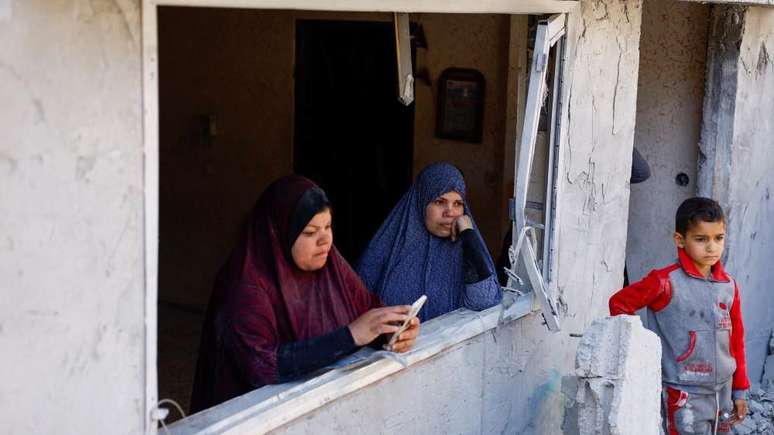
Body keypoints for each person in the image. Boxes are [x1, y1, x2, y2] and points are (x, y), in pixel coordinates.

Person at [190, 176, 419, 413]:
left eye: (328, 227)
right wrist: (350, 336)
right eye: (310, 232)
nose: (324, 240)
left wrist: (393, 331)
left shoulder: (329, 263)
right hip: (254, 418)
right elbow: (262, 366)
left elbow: (366, 307)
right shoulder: (244, 286)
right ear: (278, 235)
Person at [608, 197, 749, 434]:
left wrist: (740, 391)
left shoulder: (728, 286)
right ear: (680, 240)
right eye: (701, 239)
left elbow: (737, 342)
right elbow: (619, 304)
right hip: (683, 393)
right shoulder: (664, 282)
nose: (712, 247)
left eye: (718, 238)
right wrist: (645, 353)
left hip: (723, 392)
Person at [356, 162, 502, 322]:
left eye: (458, 204)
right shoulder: (388, 248)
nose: (450, 212)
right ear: (420, 202)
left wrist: (469, 234)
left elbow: (485, 300)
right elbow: (356, 308)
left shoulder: (466, 250)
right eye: (440, 202)